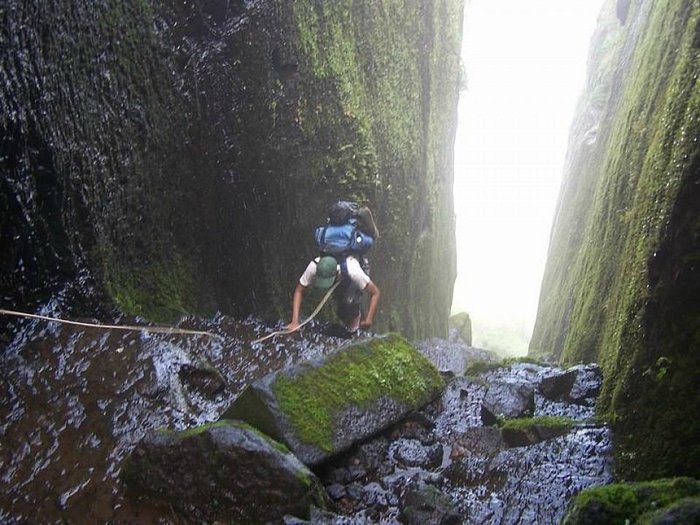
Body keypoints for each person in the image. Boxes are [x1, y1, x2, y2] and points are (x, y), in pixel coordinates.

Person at [287, 254, 380, 333]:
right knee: (341, 310)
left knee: (349, 302)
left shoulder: (354, 271)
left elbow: (375, 292)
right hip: (340, 279)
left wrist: (369, 319)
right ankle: (348, 325)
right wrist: (295, 322)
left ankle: (355, 328)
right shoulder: (314, 267)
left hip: (352, 274)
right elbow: (299, 290)